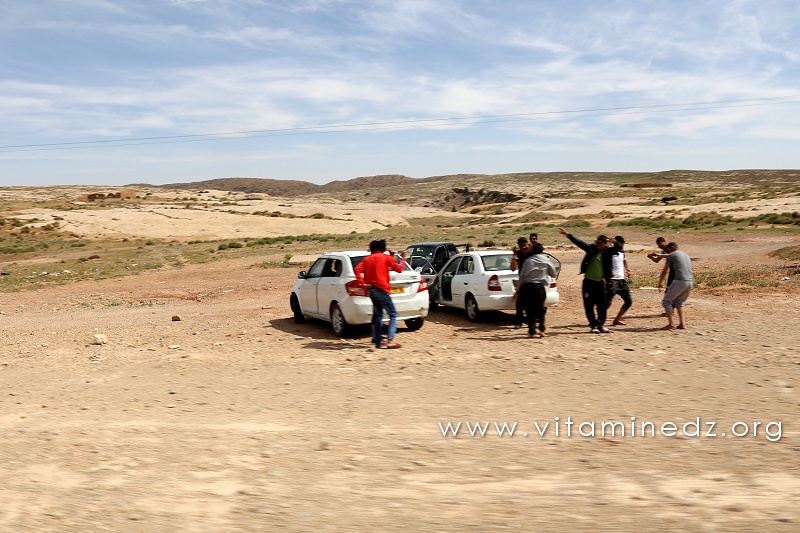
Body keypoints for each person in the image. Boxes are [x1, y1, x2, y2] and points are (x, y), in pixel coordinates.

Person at [558, 227, 619, 333]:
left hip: (600, 283)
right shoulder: (591, 249)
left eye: (601, 243)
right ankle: (593, 326)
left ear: (605, 244)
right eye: (597, 243)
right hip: (588, 283)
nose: (598, 245)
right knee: (589, 305)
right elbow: (580, 243)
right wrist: (568, 234)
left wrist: (615, 241)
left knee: (602, 305)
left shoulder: (608, 252)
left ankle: (600, 325)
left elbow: (618, 248)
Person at [353, 240, 406, 348]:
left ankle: (377, 341)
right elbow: (399, 269)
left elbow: (357, 269)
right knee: (393, 314)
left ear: (372, 249)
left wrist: (363, 284)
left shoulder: (367, 259)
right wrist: (403, 258)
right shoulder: (385, 258)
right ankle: (390, 340)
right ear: (382, 248)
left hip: (371, 290)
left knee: (378, 316)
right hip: (382, 290)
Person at [515, 242, 557, 338]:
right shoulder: (546, 260)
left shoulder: (528, 261)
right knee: (541, 309)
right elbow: (553, 273)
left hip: (528, 287)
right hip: (540, 288)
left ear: (533, 250)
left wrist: (518, 289)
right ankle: (542, 330)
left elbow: (522, 276)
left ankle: (532, 331)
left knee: (530, 310)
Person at [658, 242, 693, 330]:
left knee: (666, 301)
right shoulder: (686, 255)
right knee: (679, 302)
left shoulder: (672, 255)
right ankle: (682, 324)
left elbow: (664, 271)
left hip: (679, 281)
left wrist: (660, 283)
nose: (667, 252)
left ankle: (671, 324)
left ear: (672, 247)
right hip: (690, 281)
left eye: (668, 250)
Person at [606, 236, 633, 326]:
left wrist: (628, 270)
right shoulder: (610, 251)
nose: (623, 246)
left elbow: (625, 261)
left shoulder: (622, 252)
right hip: (612, 281)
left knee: (628, 301)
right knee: (607, 303)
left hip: (621, 280)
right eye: (622, 244)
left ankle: (616, 320)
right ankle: (597, 319)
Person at [509, 237, 533, 329]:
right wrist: (514, 256)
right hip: (522, 281)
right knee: (519, 303)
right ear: (519, 246)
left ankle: (531, 322)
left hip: (532, 280)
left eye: (525, 245)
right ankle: (519, 322)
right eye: (522, 245)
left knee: (531, 303)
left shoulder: (532, 253)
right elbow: (513, 268)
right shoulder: (518, 254)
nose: (524, 247)